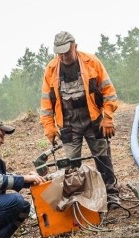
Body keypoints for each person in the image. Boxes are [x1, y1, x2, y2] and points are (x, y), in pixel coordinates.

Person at [39, 31, 121, 207]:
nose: (63, 56)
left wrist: (107, 118)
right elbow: (46, 104)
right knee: (72, 164)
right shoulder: (51, 69)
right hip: (68, 122)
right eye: (59, 53)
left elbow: (109, 92)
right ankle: (82, 201)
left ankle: (111, 194)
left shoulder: (92, 62)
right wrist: (49, 128)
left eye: (67, 52)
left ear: (75, 47)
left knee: (103, 157)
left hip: (93, 118)